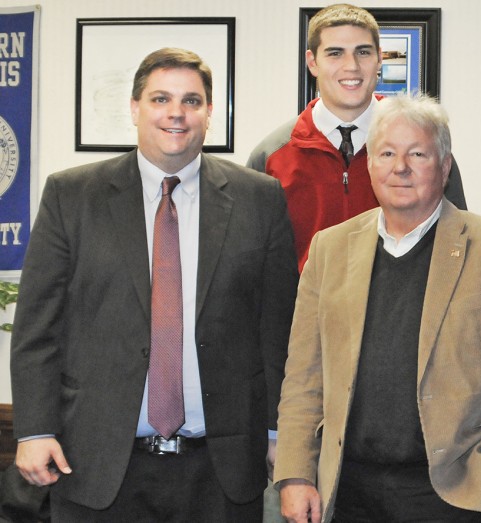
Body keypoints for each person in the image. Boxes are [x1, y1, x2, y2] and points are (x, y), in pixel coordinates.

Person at [10, 47, 298, 521]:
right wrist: (34, 429)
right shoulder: (71, 195)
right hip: (97, 465)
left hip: (221, 469)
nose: (176, 113)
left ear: (210, 114)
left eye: (192, 100)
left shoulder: (259, 198)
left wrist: (276, 433)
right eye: (161, 98)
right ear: (135, 108)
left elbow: (277, 329)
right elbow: (39, 326)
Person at [275, 94, 481, 523]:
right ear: (370, 164)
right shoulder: (329, 248)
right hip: (348, 493)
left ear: (445, 167)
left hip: (455, 495)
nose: (400, 167)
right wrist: (295, 474)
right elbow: (303, 375)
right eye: (387, 153)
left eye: (418, 153)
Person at [247, 3, 467, 270]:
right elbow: (255, 264)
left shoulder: (424, 146)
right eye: (335, 53)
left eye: (363, 52)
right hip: (306, 311)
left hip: (408, 310)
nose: (351, 66)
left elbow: (457, 242)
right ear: (312, 62)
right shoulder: (271, 157)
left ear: (379, 59)